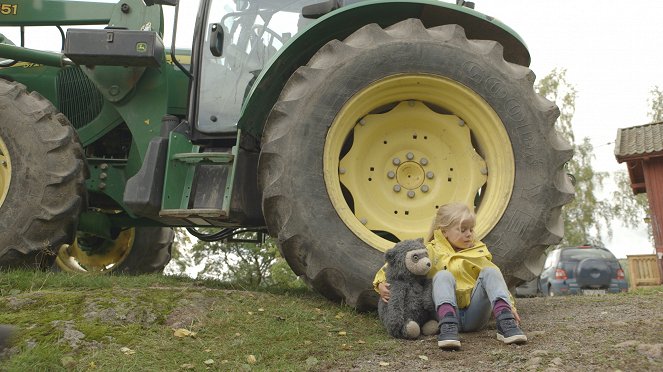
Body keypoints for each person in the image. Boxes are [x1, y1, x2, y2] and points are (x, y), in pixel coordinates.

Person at [373, 202, 527, 350]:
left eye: (471, 229)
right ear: (444, 231)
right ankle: (448, 327)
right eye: (462, 229)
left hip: (474, 316)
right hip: (442, 317)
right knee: (442, 276)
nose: (469, 234)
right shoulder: (430, 251)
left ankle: (505, 321)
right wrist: (380, 282)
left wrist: (510, 306)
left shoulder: (478, 252)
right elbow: (397, 262)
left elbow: (497, 283)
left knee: (491, 271)